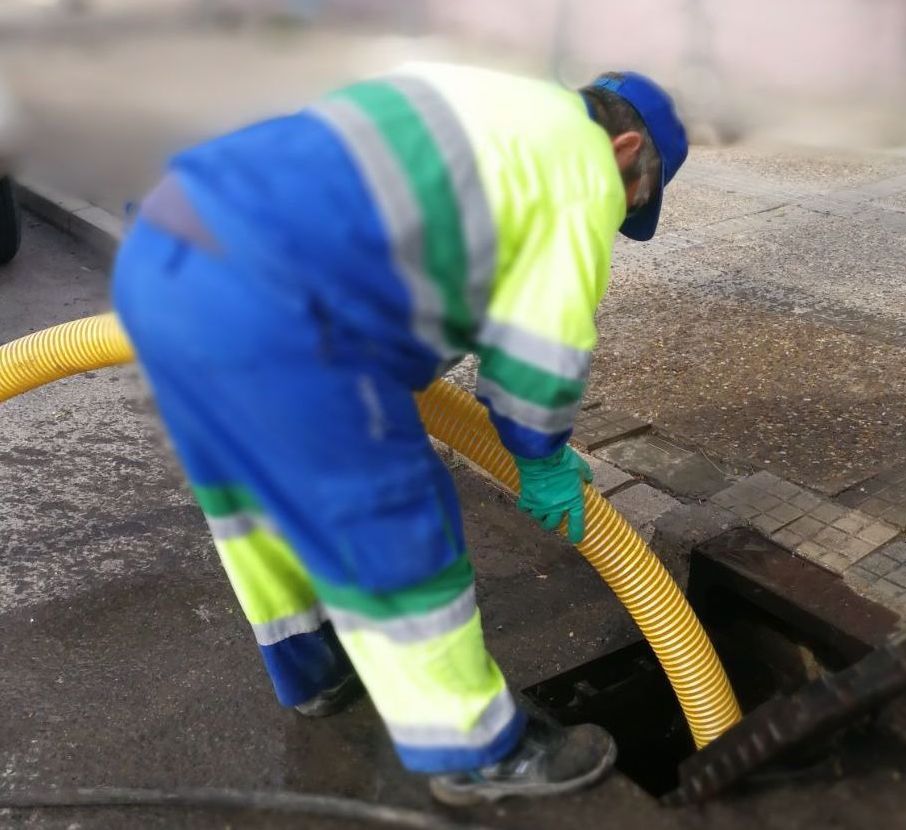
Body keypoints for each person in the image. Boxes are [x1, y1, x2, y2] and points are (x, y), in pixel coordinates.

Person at [111, 63, 687, 804]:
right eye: (633, 197)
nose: (617, 214)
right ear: (624, 149)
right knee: (393, 520)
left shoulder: (482, 101)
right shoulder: (579, 162)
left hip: (164, 251)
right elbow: (539, 346)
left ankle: (313, 670)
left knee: (255, 502)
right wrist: (538, 457)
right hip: (277, 304)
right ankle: (478, 750)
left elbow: (402, 251)